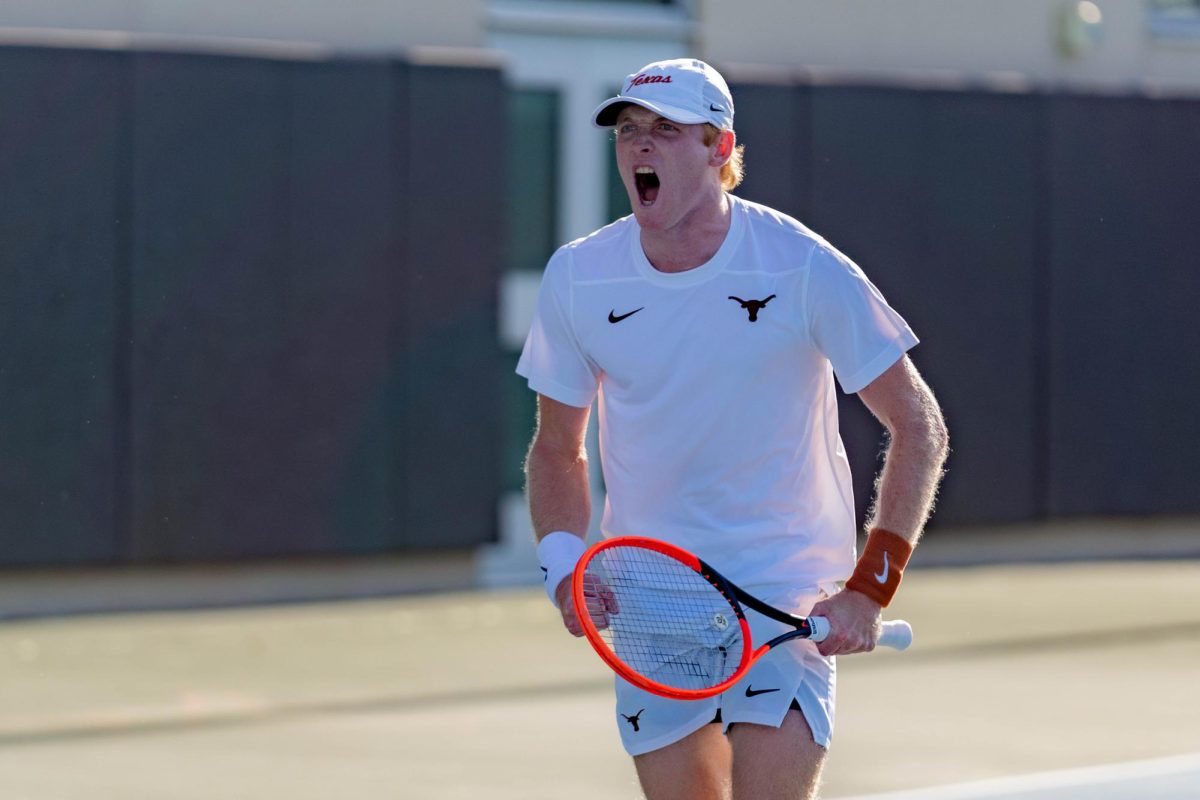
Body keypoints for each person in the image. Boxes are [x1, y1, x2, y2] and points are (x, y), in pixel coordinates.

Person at [517, 58, 949, 800]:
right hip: (653, 602)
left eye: (665, 131)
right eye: (628, 131)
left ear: (720, 148)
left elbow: (919, 425)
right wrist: (564, 568)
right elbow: (557, 446)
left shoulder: (803, 266)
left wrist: (869, 588)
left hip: (786, 600)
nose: (639, 148)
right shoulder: (578, 276)